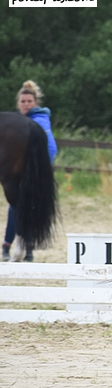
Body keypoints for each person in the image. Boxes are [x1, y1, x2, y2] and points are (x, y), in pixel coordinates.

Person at [3, 80, 57, 262]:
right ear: (18, 103)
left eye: (29, 102)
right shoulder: (22, 121)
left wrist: (36, 170)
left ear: (35, 103)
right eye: (23, 102)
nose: (26, 104)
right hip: (29, 170)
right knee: (16, 205)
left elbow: (50, 148)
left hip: (33, 171)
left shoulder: (40, 120)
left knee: (19, 205)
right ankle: (14, 245)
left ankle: (22, 246)